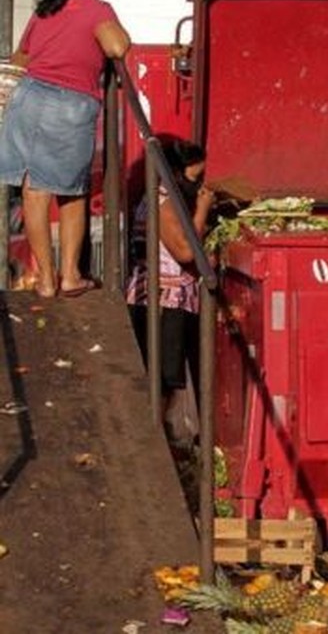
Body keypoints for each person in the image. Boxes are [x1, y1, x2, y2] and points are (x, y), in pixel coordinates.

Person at [0, 0, 130, 298]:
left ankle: (44, 278)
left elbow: (20, 59)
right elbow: (117, 47)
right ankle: (70, 274)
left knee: (33, 191)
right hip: (70, 103)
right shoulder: (97, 8)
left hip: (28, 100)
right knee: (71, 190)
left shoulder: (47, 7)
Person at [125, 139, 215, 448]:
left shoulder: (156, 199)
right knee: (162, 381)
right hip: (163, 301)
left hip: (160, 297)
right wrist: (202, 209)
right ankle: (151, 446)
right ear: (177, 173)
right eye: (196, 178)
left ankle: (158, 442)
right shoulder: (164, 202)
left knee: (164, 381)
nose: (200, 185)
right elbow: (186, 251)